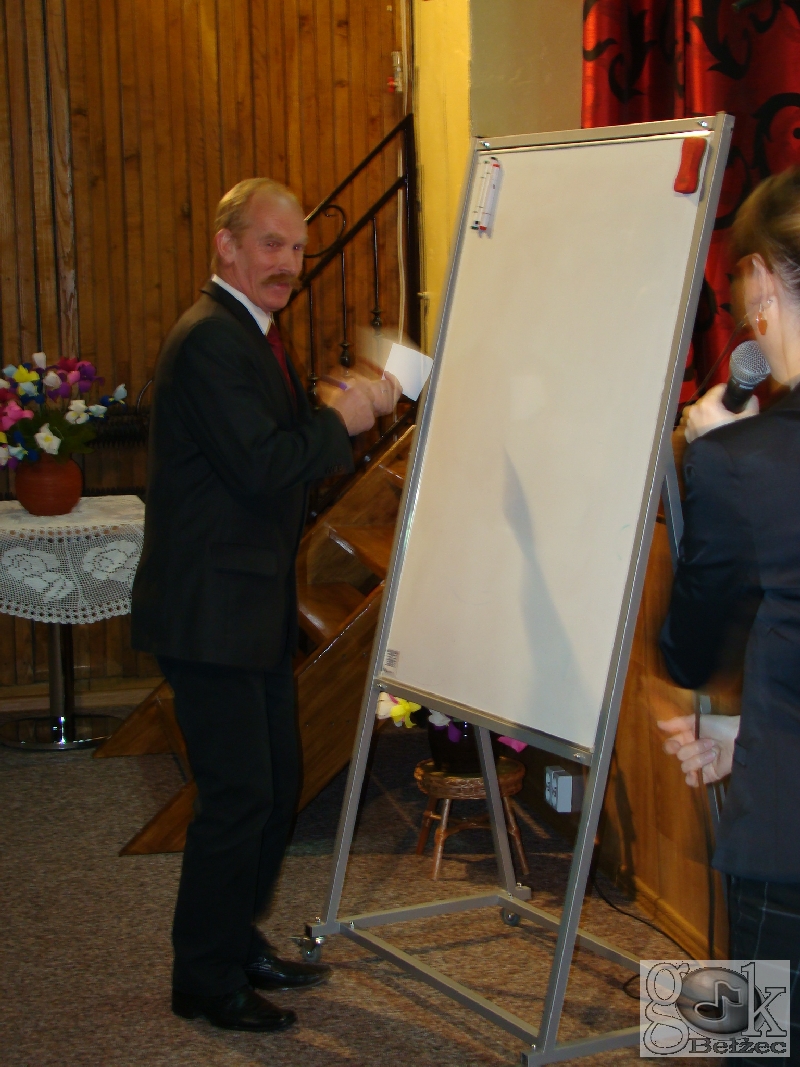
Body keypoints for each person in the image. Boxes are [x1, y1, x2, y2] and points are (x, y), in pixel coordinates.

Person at [131, 178, 400, 1033]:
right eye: (271, 244)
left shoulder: (249, 331)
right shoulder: (212, 337)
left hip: (245, 604)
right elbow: (259, 464)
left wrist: (330, 409)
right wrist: (341, 419)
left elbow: (270, 447)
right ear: (227, 245)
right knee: (239, 796)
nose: (289, 262)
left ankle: (233, 937)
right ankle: (203, 978)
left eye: (298, 248)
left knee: (276, 785)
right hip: (210, 611)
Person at [659, 168, 800, 1062]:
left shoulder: (743, 461)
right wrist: (751, 730)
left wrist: (708, 462)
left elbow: (684, 651)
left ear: (767, 281)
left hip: (783, 839)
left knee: (746, 1040)